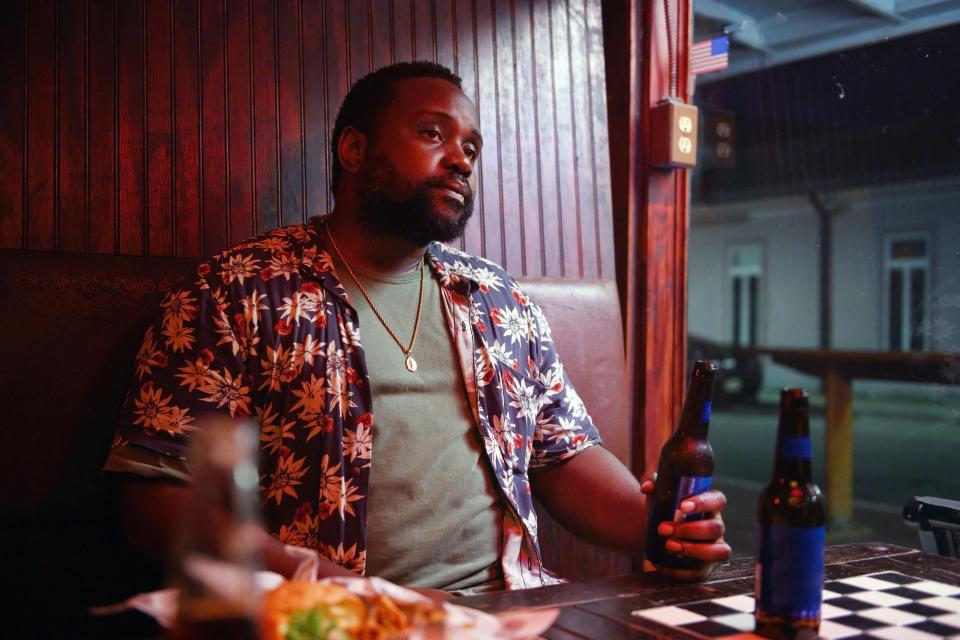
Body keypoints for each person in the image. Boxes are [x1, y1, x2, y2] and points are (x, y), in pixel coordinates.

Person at [105, 61, 730, 597]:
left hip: (507, 613)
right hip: (329, 621)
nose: (460, 158)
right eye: (433, 133)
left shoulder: (497, 299)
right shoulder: (238, 288)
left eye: (472, 148)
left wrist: (661, 525)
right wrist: (322, 585)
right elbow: (156, 500)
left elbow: (563, 456)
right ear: (354, 150)